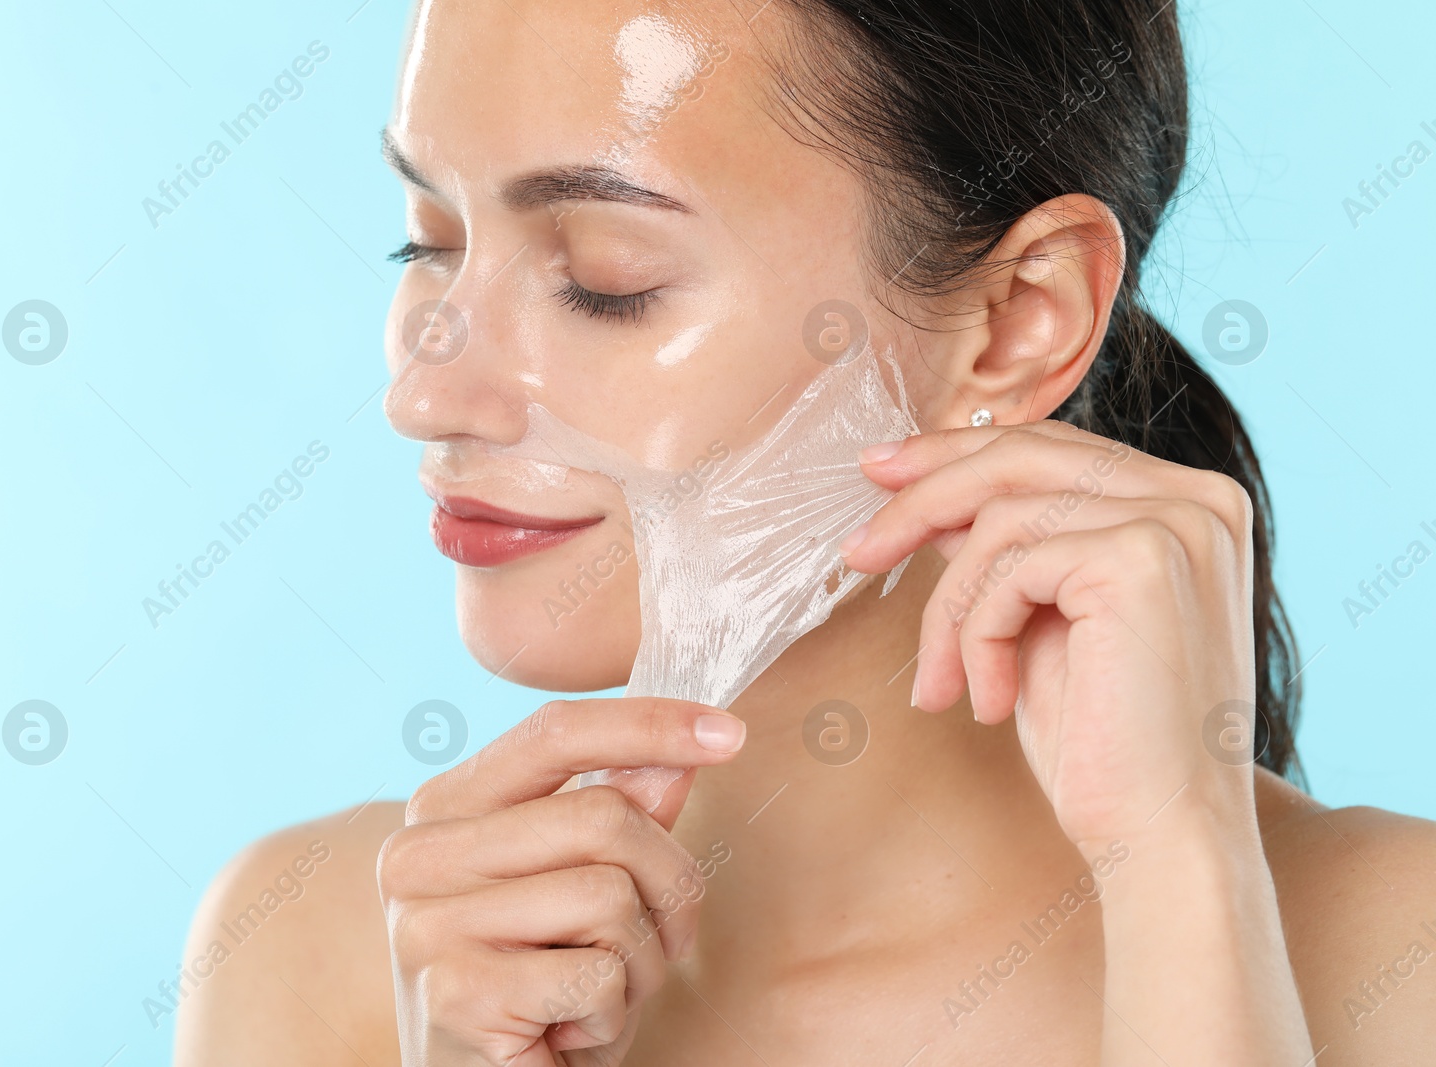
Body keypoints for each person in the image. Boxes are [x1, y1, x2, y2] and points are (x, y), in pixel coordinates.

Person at [172, 1, 1436, 1062]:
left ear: (1015, 319)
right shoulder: (319, 953)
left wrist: (1183, 884)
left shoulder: (1396, 957)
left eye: (606, 279)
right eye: (429, 241)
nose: (424, 392)